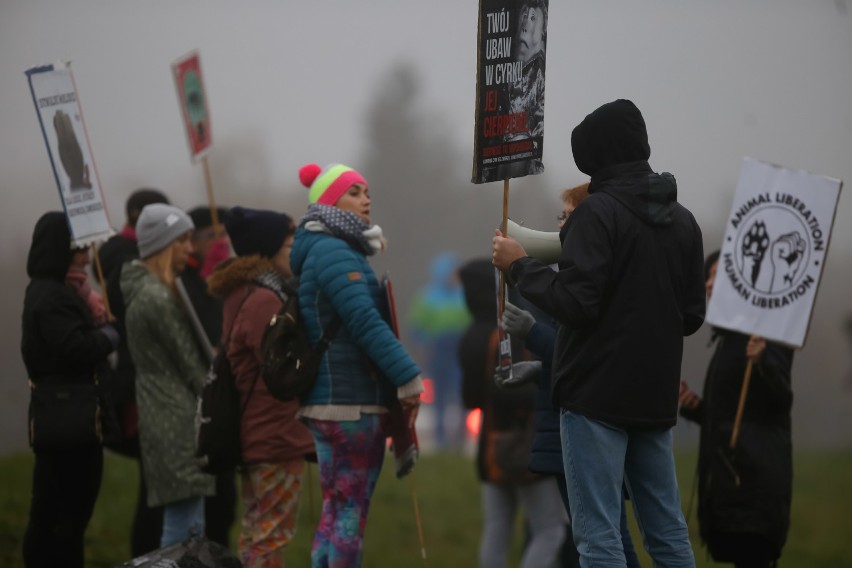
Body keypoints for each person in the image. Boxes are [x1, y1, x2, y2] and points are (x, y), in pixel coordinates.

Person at [492, 98, 706, 566]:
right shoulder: (684, 221)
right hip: (653, 398)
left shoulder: (597, 213)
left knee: (598, 536)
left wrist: (519, 268)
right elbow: (691, 316)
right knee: (667, 534)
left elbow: (576, 302)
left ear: (595, 154)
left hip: (595, 397)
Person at [290, 162, 423, 567]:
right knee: (349, 516)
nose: (367, 199)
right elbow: (364, 321)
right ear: (330, 201)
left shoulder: (324, 247)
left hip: (332, 403)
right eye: (355, 192)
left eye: (367, 192)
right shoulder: (333, 249)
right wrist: (408, 377)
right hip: (350, 404)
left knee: (335, 511)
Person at [208, 206, 316, 567]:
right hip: (275, 436)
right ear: (268, 252)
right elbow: (284, 370)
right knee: (271, 537)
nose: (296, 253)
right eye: (290, 247)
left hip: (258, 434)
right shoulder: (265, 301)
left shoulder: (242, 293)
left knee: (257, 532)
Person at [679, 250, 794, 567]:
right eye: (708, 277)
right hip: (732, 486)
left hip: (755, 486)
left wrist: (763, 362)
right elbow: (733, 418)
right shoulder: (729, 338)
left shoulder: (763, 334)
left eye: (719, 276)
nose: (710, 284)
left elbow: (781, 399)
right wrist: (695, 407)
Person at [21, 211, 121, 568]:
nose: (84, 256)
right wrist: (109, 336)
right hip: (70, 419)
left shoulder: (52, 292)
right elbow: (75, 348)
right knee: (65, 516)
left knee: (56, 512)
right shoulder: (52, 297)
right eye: (77, 248)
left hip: (64, 415)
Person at [458, 258, 568, 568]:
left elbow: (470, 399)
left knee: (497, 528)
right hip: (526, 443)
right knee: (550, 530)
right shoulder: (508, 332)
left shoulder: (469, 337)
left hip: (490, 445)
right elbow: (515, 390)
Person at [120, 203, 215, 547]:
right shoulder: (157, 299)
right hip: (174, 418)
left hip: (162, 412)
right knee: (185, 530)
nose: (190, 249)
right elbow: (191, 363)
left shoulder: (148, 292)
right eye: (183, 240)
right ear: (165, 244)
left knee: (188, 523)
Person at [97, 188, 171, 556]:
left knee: (155, 487)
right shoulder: (130, 267)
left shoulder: (119, 260)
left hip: (140, 382)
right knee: (155, 491)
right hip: (143, 385)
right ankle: (146, 559)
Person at [184, 205, 237, 548]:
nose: (220, 241)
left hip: (224, 400)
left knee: (225, 504)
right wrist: (208, 281)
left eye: (224, 235)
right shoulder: (185, 280)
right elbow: (200, 328)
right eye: (211, 235)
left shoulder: (231, 275)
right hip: (195, 400)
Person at [406, 251, 470, 450]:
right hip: (438, 352)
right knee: (440, 396)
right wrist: (424, 344)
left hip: (459, 351)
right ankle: (442, 438)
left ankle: (460, 436)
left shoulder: (463, 294)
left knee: (462, 394)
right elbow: (416, 327)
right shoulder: (428, 296)